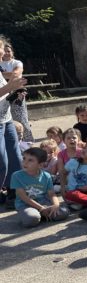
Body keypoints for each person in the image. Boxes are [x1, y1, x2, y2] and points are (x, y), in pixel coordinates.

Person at [0, 36, 28, 209]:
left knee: (15, 158)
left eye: (1, 48)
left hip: (6, 119)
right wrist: (10, 87)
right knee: (1, 162)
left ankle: (13, 192)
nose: (1, 52)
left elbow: (3, 96)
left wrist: (15, 95)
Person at [11, 147, 70, 227]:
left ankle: (42, 215)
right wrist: (41, 208)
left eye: (30, 160)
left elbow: (52, 194)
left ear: (40, 165)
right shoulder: (16, 176)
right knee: (31, 218)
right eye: (24, 158)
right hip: (25, 205)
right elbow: (23, 197)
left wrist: (56, 205)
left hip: (44, 203)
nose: (25, 162)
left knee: (64, 212)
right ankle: (38, 215)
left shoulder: (46, 176)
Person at [0, 42, 33, 141]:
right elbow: (13, 76)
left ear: (12, 52)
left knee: (21, 119)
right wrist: (10, 83)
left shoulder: (17, 62)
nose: (6, 53)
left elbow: (16, 74)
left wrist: (6, 77)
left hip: (17, 94)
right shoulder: (0, 63)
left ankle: (28, 142)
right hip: (4, 100)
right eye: (4, 51)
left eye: (8, 51)